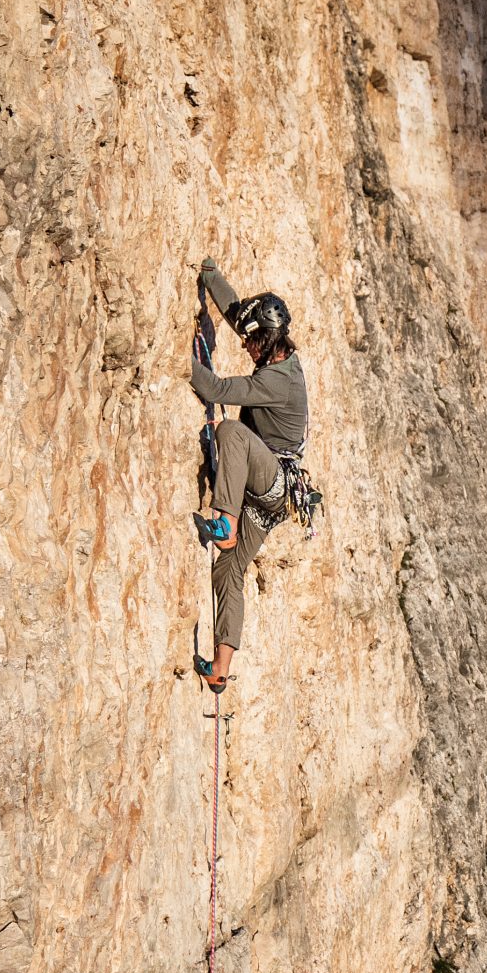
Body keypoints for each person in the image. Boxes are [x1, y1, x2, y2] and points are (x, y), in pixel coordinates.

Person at [188, 257, 308, 690]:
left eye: (251, 342)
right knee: (228, 570)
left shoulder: (277, 382)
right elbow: (237, 314)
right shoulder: (274, 348)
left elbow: (217, 389)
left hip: (269, 483)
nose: (245, 346)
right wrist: (210, 277)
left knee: (232, 433)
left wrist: (175, 357)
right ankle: (220, 670)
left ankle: (226, 522)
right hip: (270, 499)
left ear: (269, 341)